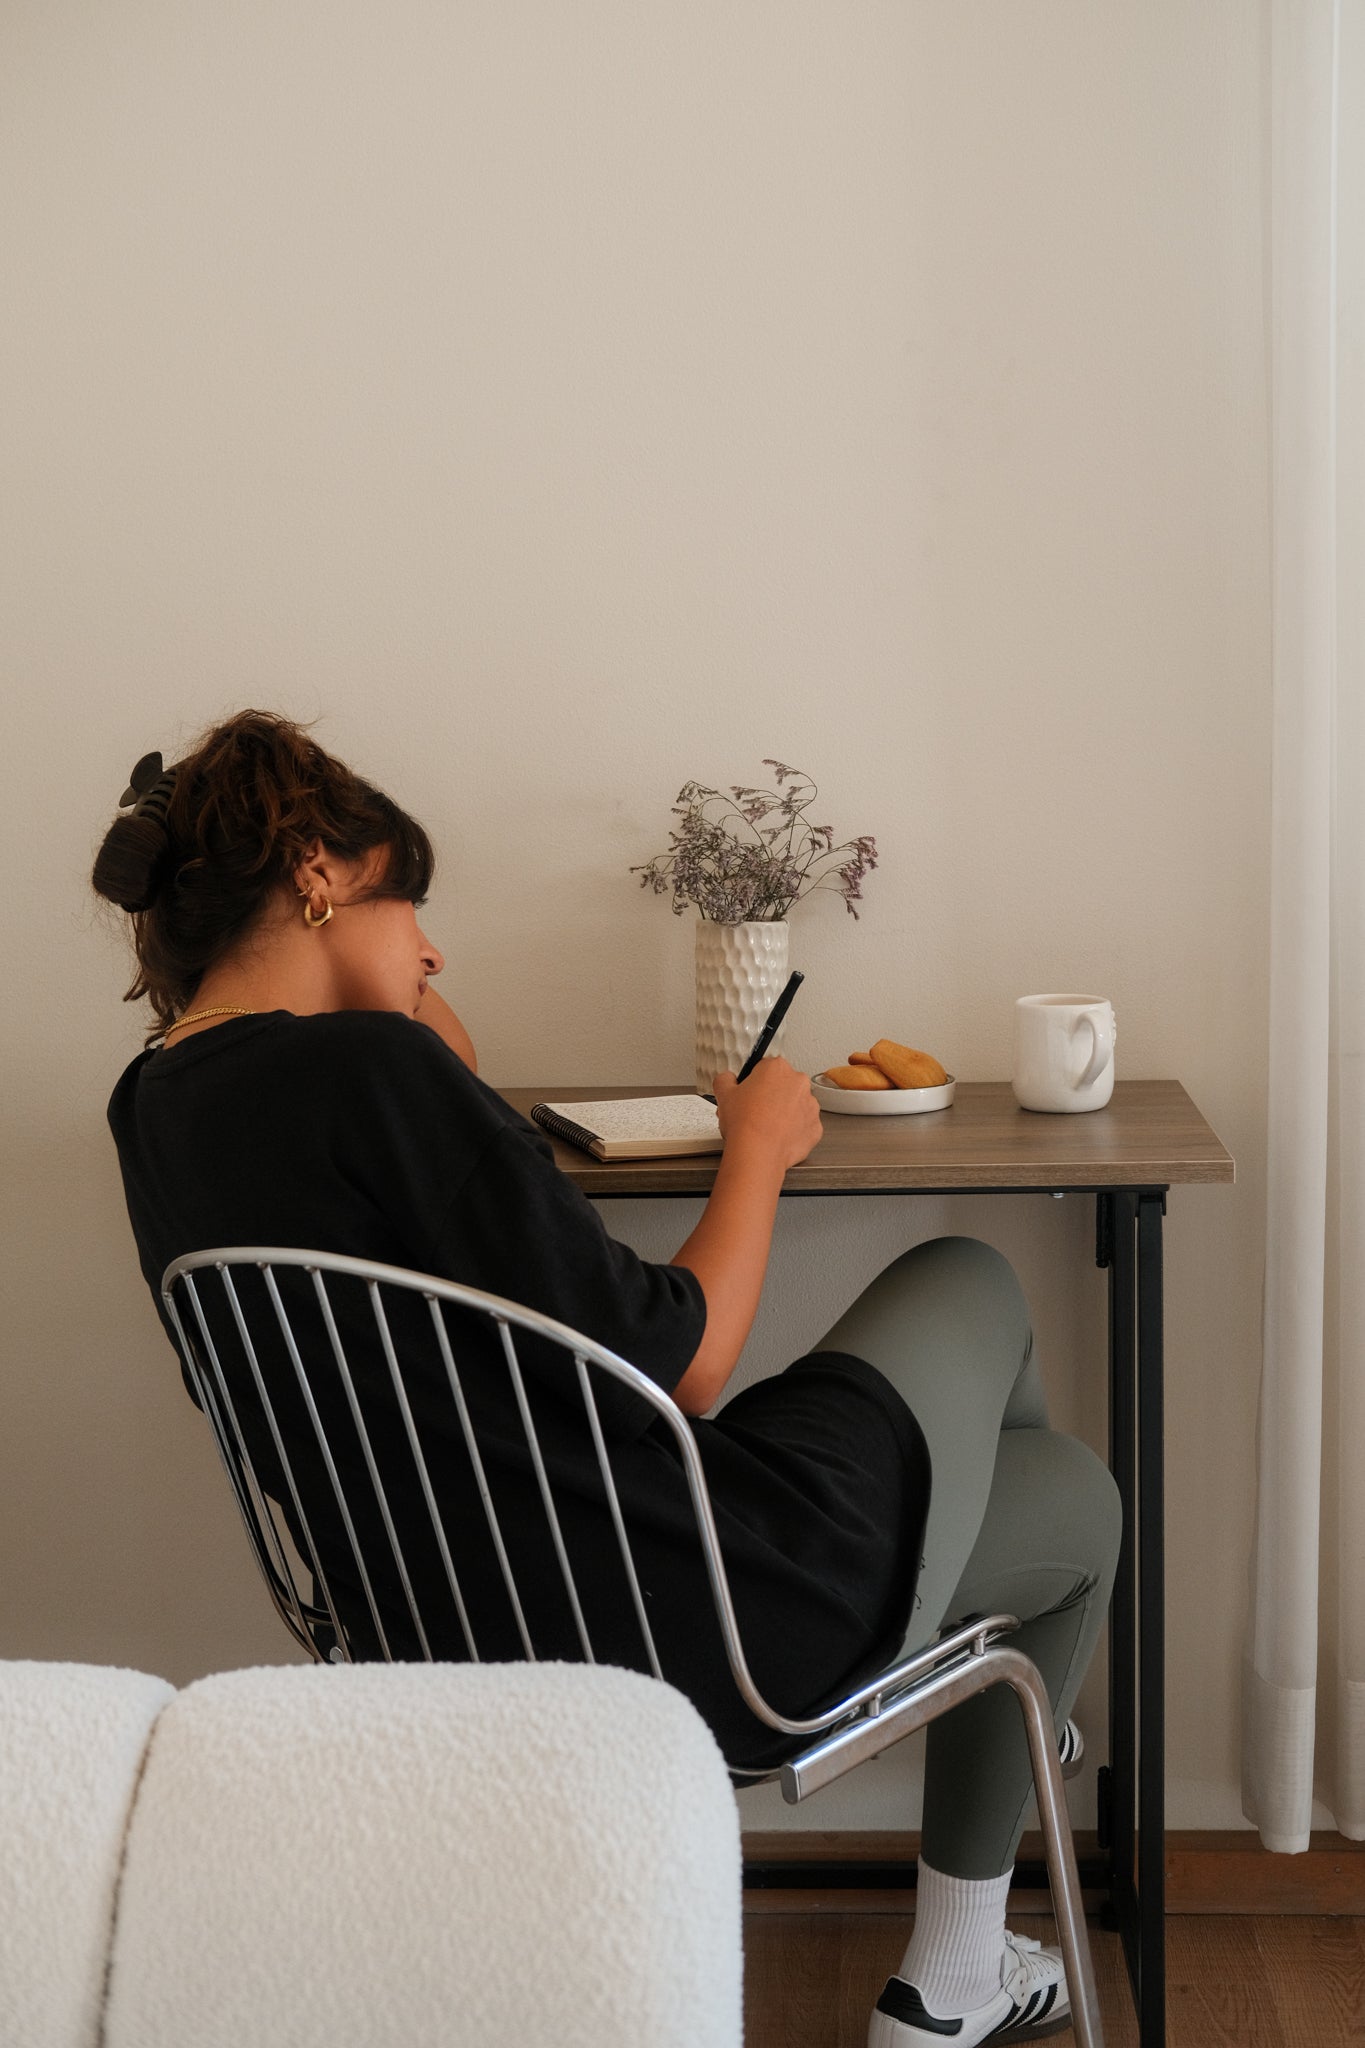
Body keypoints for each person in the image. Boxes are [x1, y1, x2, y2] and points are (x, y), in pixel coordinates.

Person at [93, 709, 1120, 2048]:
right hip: (695, 1619)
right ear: (319, 877)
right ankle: (983, 1817)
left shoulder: (153, 1105)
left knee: (1068, 1502)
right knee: (972, 1277)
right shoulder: (371, 1069)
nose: (435, 949)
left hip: (440, 1639)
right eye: (416, 903)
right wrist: (755, 1142)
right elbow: (686, 1364)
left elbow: (430, 1057)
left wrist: (376, 961)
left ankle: (965, 1915)